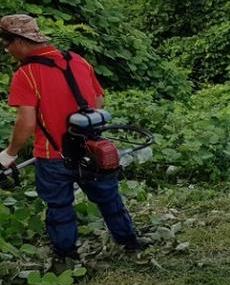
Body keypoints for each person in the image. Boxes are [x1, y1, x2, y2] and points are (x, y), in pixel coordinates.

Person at [0, 14, 143, 261]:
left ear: (19, 42)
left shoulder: (26, 74)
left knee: (59, 208)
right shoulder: (76, 60)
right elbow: (98, 101)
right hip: (91, 149)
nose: (7, 49)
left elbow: (27, 122)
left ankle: (67, 259)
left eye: (7, 44)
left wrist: (9, 153)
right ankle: (131, 244)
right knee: (110, 200)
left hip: (52, 155)